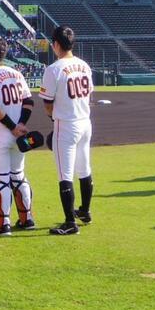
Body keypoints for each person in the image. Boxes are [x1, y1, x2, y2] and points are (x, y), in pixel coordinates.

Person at [40, 25, 94, 236]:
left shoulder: (54, 69)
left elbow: (47, 103)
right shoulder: (84, 65)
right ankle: (85, 211)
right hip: (85, 121)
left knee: (65, 174)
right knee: (85, 168)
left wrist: (54, 118)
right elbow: (89, 95)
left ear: (55, 44)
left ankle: (70, 222)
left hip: (66, 124)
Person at [0, 37, 35, 236]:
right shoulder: (17, 73)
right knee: (18, 176)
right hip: (19, 135)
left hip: (0, 135)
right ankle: (26, 218)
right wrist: (21, 125)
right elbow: (29, 102)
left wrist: (12, 127)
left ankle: (3, 224)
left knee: (1, 179)